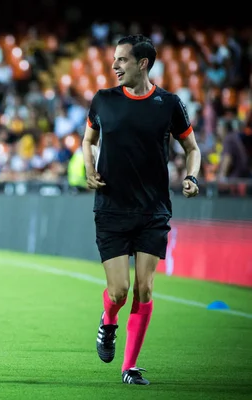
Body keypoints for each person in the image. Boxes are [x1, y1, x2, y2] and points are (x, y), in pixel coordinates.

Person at [81, 34, 201, 385]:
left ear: (142, 63)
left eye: (121, 60)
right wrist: (89, 167)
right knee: (118, 291)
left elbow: (191, 148)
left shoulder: (169, 103)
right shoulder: (103, 100)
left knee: (144, 288)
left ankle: (129, 367)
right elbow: (88, 140)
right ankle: (108, 320)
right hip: (111, 208)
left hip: (153, 210)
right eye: (114, 59)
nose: (114, 65)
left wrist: (192, 176)